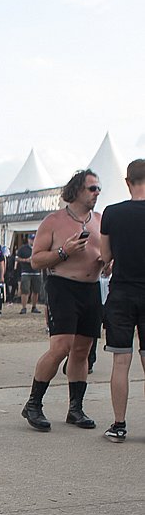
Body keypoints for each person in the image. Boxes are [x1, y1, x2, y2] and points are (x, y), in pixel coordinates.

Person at [21, 169, 103, 431]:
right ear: (77, 190)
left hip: (91, 289)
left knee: (82, 350)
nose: (97, 193)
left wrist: (107, 263)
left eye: (98, 189)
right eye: (92, 188)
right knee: (61, 347)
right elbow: (36, 260)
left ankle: (75, 409)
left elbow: (106, 254)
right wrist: (63, 251)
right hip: (62, 286)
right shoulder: (54, 221)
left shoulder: (99, 220)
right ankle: (33, 404)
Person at [100, 159, 145, 441]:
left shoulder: (112, 213)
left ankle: (119, 424)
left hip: (122, 293)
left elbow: (105, 257)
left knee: (121, 361)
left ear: (127, 182)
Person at [16, 235, 41, 313]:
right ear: (28, 240)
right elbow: (17, 258)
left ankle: (34, 307)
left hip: (36, 271)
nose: (32, 241)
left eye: (34, 239)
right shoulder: (23, 248)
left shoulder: (39, 247)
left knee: (36, 290)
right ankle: (24, 307)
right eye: (31, 239)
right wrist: (25, 260)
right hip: (26, 271)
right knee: (25, 290)